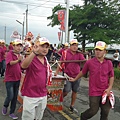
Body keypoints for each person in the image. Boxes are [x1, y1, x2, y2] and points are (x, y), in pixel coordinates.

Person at [69, 41, 114, 120]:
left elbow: (111, 76)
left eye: (100, 50)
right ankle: (83, 117)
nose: (98, 52)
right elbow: (83, 72)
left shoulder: (109, 63)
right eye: (96, 50)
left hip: (105, 91)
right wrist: (75, 79)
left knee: (105, 112)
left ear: (105, 51)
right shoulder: (90, 62)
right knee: (93, 110)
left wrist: (109, 88)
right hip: (94, 91)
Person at [21, 37, 52, 120]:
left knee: (39, 116)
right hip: (30, 94)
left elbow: (46, 75)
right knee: (28, 117)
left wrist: (47, 88)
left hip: (43, 94)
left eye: (46, 47)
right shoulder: (32, 58)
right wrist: (33, 53)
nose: (45, 49)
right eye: (42, 46)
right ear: (36, 46)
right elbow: (23, 66)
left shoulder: (46, 60)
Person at [54, 39, 85, 112]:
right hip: (67, 75)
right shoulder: (65, 53)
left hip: (77, 76)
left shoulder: (79, 54)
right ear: (70, 46)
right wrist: (57, 72)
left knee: (75, 91)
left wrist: (85, 58)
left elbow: (84, 64)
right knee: (66, 90)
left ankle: (72, 105)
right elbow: (61, 62)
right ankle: (58, 100)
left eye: (76, 45)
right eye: (73, 45)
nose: (75, 47)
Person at [2, 39, 23, 120]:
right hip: (10, 79)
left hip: (17, 78)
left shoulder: (19, 55)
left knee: (15, 97)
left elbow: (21, 66)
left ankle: (11, 112)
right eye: (17, 45)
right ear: (13, 46)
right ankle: (5, 106)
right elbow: (10, 63)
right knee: (10, 96)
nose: (19, 47)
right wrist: (18, 60)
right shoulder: (10, 53)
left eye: (20, 46)